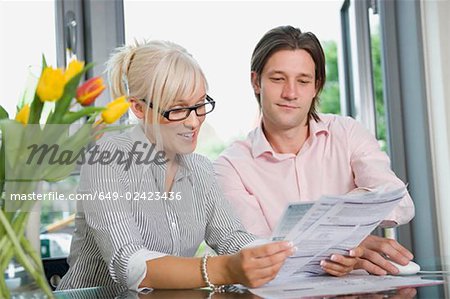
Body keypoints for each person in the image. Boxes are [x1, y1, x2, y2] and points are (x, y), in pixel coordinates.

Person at [57, 40, 362, 292]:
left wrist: (315, 255)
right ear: (138, 107)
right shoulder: (106, 159)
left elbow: (235, 240)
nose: (193, 121)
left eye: (200, 105)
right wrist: (225, 268)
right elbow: (130, 265)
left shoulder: (200, 170)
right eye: (177, 109)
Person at [214, 25, 415, 276]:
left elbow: (401, 204)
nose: (290, 93)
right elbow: (258, 252)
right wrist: (347, 239)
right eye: (278, 79)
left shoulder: (347, 132)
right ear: (256, 82)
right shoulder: (230, 166)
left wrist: (341, 236)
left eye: (303, 80)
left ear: (316, 86)